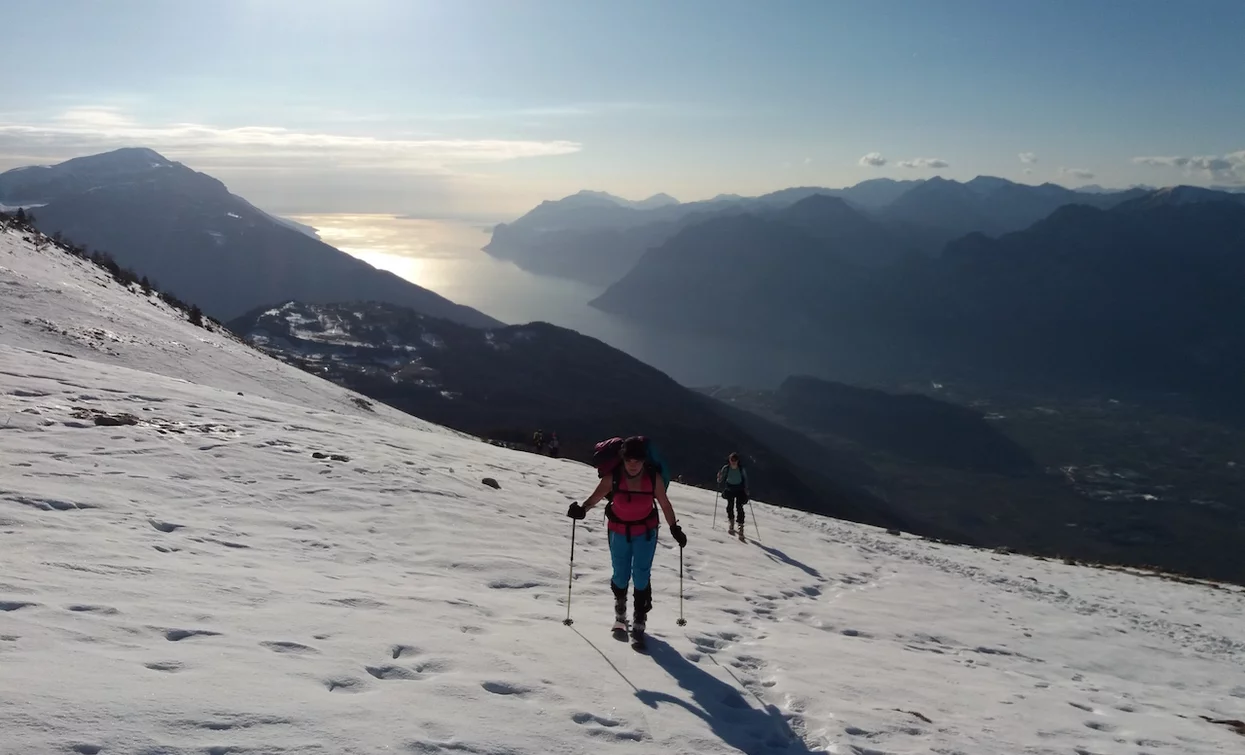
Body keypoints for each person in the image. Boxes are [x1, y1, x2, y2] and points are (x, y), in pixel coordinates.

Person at [566, 436, 686, 647]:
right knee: (620, 574)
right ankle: (620, 611)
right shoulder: (613, 478)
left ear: (643, 461)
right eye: (629, 460)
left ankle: (639, 619)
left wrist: (674, 528)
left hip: (645, 532)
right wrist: (582, 509)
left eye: (637, 460)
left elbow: (665, 505)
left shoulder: (653, 477)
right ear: (622, 459)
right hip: (619, 531)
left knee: (641, 575)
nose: (633, 465)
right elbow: (595, 497)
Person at [717, 452, 750, 538]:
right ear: (729, 460)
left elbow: (745, 479)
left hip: (739, 490)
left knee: (739, 507)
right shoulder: (727, 468)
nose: (733, 462)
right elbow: (721, 479)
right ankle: (733, 523)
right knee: (730, 506)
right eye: (732, 460)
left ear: (738, 461)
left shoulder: (740, 469)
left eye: (735, 460)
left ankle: (739, 525)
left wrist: (746, 489)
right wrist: (719, 478)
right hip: (731, 489)